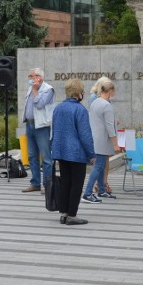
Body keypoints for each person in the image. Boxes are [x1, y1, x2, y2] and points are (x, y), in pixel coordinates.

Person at [51, 79, 95, 225]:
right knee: (76, 183)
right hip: (76, 153)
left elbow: (55, 130)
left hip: (61, 151)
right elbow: (85, 134)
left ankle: (63, 213)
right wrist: (91, 154)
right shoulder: (80, 110)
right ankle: (72, 215)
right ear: (78, 93)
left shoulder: (58, 108)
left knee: (65, 182)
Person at [83, 79, 121, 203]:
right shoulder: (107, 105)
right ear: (110, 91)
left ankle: (101, 190)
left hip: (95, 138)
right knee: (99, 165)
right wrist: (115, 144)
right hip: (103, 140)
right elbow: (110, 127)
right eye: (113, 92)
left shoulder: (95, 102)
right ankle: (87, 193)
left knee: (100, 164)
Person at [22, 68, 55, 194]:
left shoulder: (48, 89)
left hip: (42, 126)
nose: (31, 79)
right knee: (32, 156)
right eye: (29, 76)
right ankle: (35, 183)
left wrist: (35, 90)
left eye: (34, 76)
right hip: (30, 125)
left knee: (46, 157)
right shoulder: (31, 89)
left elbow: (40, 104)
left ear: (40, 77)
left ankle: (47, 185)